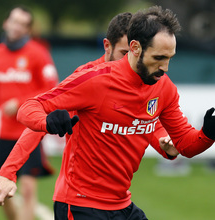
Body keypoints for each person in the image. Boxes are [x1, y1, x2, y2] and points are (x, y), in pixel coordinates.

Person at [15, 6, 215, 219]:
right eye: (158, 57)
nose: (165, 67)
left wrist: (208, 133)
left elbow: (185, 144)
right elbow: (28, 108)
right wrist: (47, 121)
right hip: (80, 204)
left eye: (170, 58)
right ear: (135, 48)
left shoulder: (164, 88)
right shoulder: (95, 80)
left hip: (121, 205)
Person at [0, 5, 59, 220]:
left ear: (27, 30)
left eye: (22, 24)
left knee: (27, 189)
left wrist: (19, 103)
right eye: (14, 21)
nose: (16, 26)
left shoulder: (38, 53)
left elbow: (51, 88)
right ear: (6, 23)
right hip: (5, 133)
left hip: (30, 130)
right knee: (0, 191)